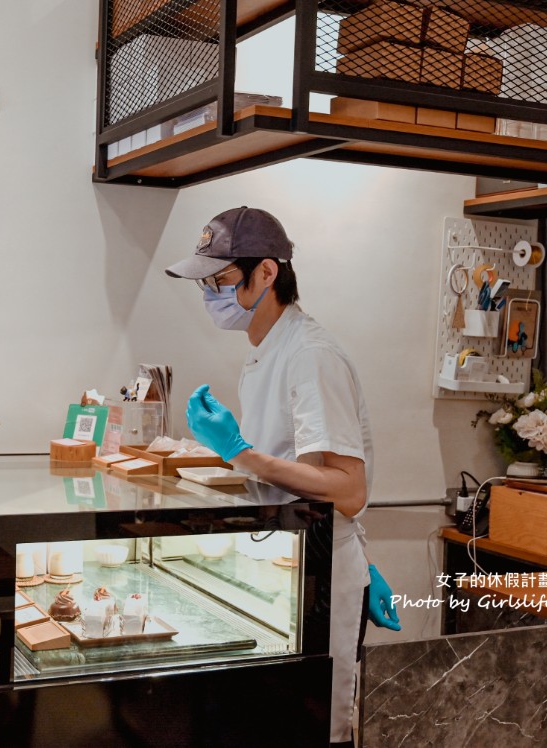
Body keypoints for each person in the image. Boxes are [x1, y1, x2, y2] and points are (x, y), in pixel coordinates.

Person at [165, 207, 400, 748]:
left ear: (266, 273)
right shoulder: (267, 351)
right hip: (292, 565)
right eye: (205, 283)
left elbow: (348, 487)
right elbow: (307, 475)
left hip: (320, 579)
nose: (210, 294)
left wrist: (239, 452)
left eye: (220, 279)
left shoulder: (310, 355)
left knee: (318, 727)